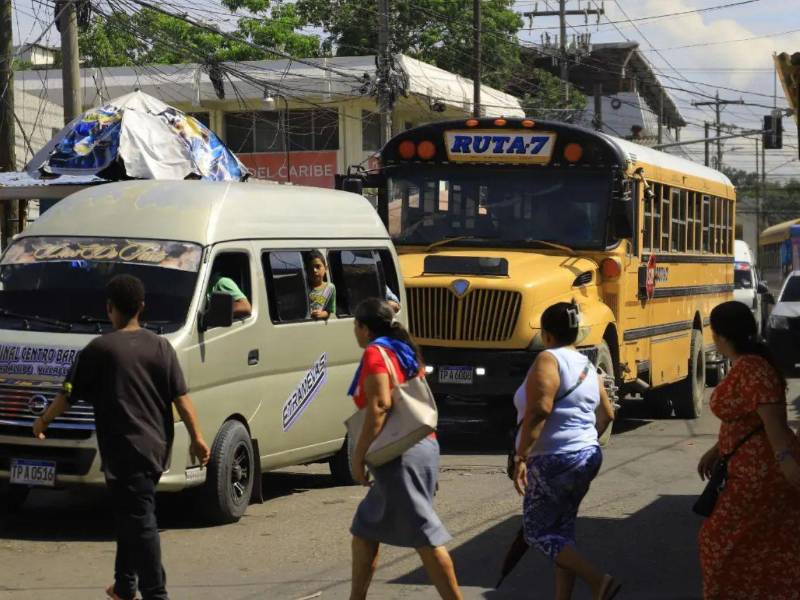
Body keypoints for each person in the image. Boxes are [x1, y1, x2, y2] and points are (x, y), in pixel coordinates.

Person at [32, 274, 210, 600]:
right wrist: (198, 438)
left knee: (141, 521)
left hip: (124, 450)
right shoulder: (161, 347)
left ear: (109, 308)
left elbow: (67, 395)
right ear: (142, 307)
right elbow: (181, 398)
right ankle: (125, 585)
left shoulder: (99, 349)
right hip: (156, 449)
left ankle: (156, 593)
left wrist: (43, 421)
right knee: (131, 513)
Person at [348, 298, 461, 600]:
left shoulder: (375, 352)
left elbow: (379, 407)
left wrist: (358, 458)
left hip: (401, 455)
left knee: (425, 535)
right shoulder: (402, 348)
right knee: (364, 530)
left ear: (364, 328)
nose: (355, 332)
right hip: (419, 446)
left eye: (355, 326)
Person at [512, 302, 618, 600]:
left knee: (536, 532)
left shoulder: (548, 359)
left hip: (552, 458)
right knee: (561, 531)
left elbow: (539, 410)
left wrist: (521, 456)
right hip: (586, 455)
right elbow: (608, 414)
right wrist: (583, 443)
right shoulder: (587, 364)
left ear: (545, 334)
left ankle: (598, 581)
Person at [697, 301, 800, 600]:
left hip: (759, 475)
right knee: (762, 543)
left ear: (719, 335)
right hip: (746, 469)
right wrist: (718, 449)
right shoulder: (747, 364)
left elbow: (775, 426)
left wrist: (788, 464)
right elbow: (748, 418)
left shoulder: (753, 369)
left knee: (720, 543)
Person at [306, 250, 336, 320]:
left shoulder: (330, 288)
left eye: (318, 266)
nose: (314, 270)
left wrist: (322, 314)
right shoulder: (305, 287)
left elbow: (329, 311)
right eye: (311, 268)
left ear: (325, 268)